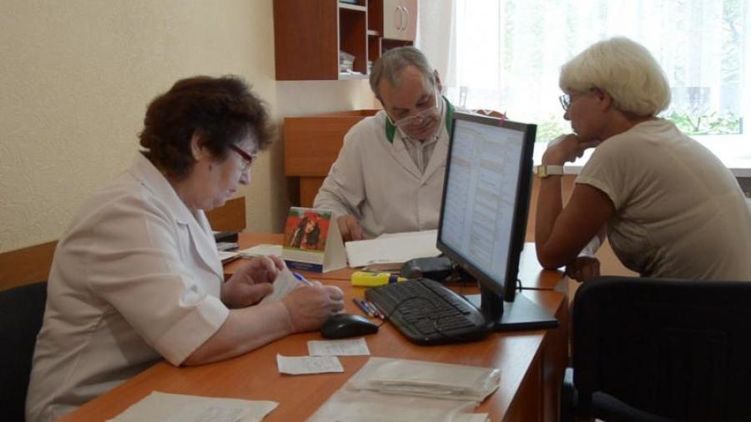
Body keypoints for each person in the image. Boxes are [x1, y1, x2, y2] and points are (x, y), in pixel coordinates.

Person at [26, 76, 344, 422]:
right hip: (90, 406)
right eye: (246, 160)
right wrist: (290, 314)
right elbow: (198, 341)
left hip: (157, 381)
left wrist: (225, 297)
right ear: (201, 145)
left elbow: (171, 306)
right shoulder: (126, 213)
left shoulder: (181, 201)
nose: (247, 178)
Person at [535, 37, 751, 282]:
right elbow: (595, 218)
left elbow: (549, 255)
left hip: (703, 305)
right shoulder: (660, 136)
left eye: (570, 99)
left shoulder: (619, 151)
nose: (566, 114)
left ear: (602, 98)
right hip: (731, 301)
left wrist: (551, 164)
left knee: (581, 301)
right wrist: (582, 251)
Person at [313, 46, 455, 241]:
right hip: (380, 254)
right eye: (402, 113)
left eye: (424, 103)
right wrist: (338, 218)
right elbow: (331, 198)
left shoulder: (474, 133)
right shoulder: (364, 136)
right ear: (383, 104)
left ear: (437, 82)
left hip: (449, 254)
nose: (418, 118)